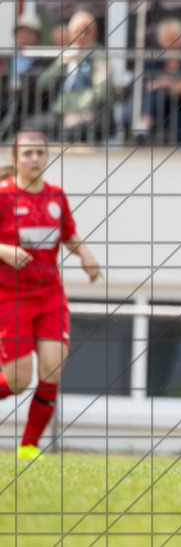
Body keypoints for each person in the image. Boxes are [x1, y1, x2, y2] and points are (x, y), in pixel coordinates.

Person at [0, 130, 102, 460]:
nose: (34, 159)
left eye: (40, 153)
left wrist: (84, 254)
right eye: (27, 153)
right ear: (15, 159)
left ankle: (29, 448)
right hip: (10, 297)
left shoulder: (56, 196)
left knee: (52, 370)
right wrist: (4, 251)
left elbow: (69, 235)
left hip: (49, 296)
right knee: (17, 381)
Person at [32, 11, 113, 142]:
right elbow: (43, 82)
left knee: (69, 130)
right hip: (60, 111)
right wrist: (59, 64)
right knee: (32, 126)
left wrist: (76, 110)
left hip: (88, 112)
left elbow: (101, 90)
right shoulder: (66, 54)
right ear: (70, 34)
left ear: (94, 33)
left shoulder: (99, 57)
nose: (81, 35)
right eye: (77, 31)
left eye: (86, 31)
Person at [137, 18, 181, 145]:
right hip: (158, 110)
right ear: (161, 41)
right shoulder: (153, 61)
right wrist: (165, 86)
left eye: (176, 38)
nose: (173, 43)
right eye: (169, 38)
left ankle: (143, 125)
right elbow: (146, 85)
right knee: (157, 93)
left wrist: (170, 87)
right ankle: (145, 124)